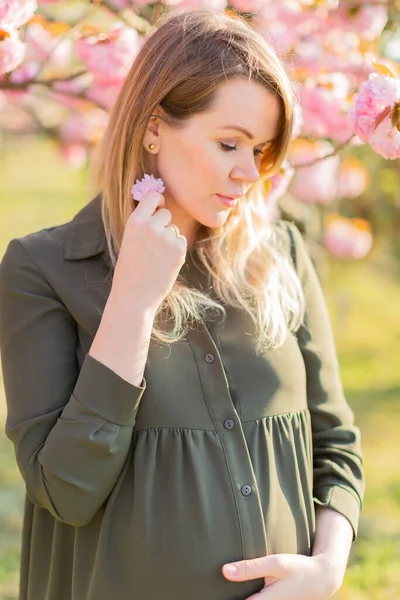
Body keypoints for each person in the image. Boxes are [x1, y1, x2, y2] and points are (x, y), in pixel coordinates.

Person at [0, 9, 364, 600]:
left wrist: (326, 568)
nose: (249, 173)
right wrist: (134, 302)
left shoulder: (282, 255)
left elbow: (336, 443)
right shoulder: (41, 271)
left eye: (262, 150)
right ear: (152, 128)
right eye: (229, 144)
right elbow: (64, 490)